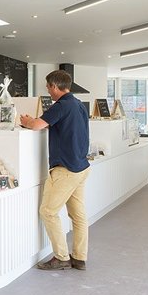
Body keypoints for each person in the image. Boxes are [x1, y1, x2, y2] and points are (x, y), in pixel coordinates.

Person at [19, 70, 90, 271]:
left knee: (48, 212)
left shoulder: (61, 105)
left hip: (66, 169)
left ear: (54, 86)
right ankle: (79, 258)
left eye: (49, 87)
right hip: (81, 167)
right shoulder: (77, 104)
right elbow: (65, 128)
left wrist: (26, 121)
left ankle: (61, 257)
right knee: (78, 216)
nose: (48, 92)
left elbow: (36, 126)